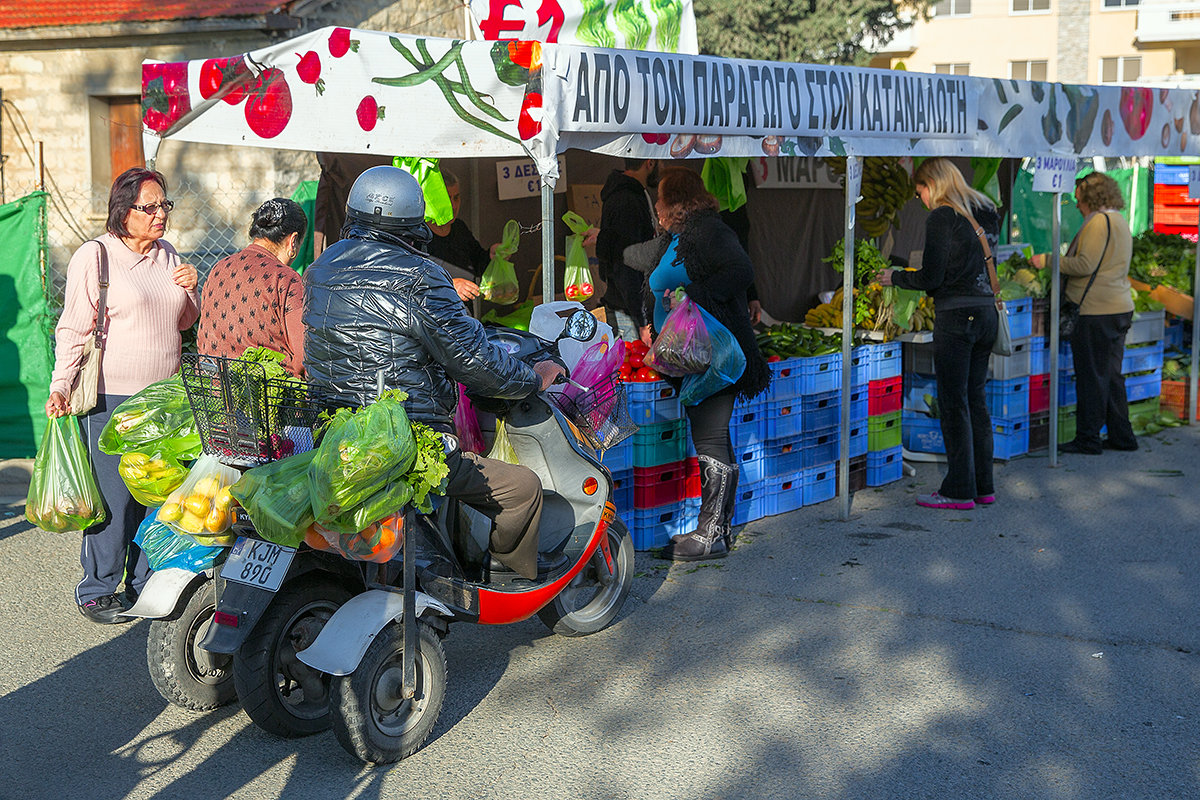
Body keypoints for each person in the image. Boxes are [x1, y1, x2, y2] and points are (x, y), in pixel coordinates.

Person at [303, 166, 567, 581]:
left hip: (333, 435)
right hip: (404, 439)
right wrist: (534, 377)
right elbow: (475, 360)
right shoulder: (421, 275)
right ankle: (504, 577)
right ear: (413, 220)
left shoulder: (321, 268)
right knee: (522, 489)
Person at [45, 167, 199, 624]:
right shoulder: (95, 257)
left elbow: (184, 321)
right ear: (123, 210)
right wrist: (60, 384)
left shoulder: (168, 255)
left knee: (155, 498)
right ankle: (97, 588)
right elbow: (73, 327)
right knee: (114, 500)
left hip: (164, 402)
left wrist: (193, 289)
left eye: (164, 205)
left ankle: (142, 585)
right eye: (148, 207)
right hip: (112, 397)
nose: (159, 215)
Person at [647, 168, 770, 562]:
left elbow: (741, 271)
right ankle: (716, 528)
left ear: (677, 202)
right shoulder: (678, 236)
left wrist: (692, 294)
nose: (657, 206)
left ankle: (712, 533)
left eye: (662, 199)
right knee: (713, 435)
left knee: (712, 437)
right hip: (687, 355)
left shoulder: (709, 232)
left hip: (712, 356)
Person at [880, 157, 999, 510]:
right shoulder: (986, 210)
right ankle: (983, 486)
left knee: (953, 403)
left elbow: (932, 278)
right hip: (987, 312)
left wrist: (896, 277)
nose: (922, 200)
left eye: (921, 192)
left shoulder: (943, 216)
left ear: (932, 184)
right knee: (976, 400)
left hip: (956, 317)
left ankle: (958, 490)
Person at [1031, 172, 1137, 454]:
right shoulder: (1120, 221)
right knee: (1111, 375)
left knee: (1091, 376)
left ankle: (1088, 438)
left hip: (1095, 311)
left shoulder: (1097, 224)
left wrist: (1048, 260)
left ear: (1090, 198)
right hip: (1119, 307)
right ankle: (1122, 435)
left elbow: (1084, 265)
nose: (1076, 205)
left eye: (1078, 199)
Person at [197, 198, 308, 375]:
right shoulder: (285, 278)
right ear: (293, 241)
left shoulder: (218, 269)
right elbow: (303, 357)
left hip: (212, 391)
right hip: (266, 396)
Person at [596, 158, 659, 345]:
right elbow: (626, 264)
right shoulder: (627, 200)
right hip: (629, 314)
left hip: (631, 309)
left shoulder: (632, 194)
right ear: (650, 162)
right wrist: (642, 319)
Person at [425, 169, 493, 304]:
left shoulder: (459, 228)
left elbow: (478, 266)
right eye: (446, 199)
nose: (453, 205)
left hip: (465, 321)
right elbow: (408, 282)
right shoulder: (418, 235)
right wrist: (450, 286)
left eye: (456, 197)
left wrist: (492, 255)